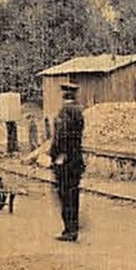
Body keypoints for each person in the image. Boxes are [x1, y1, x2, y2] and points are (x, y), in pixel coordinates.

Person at [48, 83, 87, 242]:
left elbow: (61, 136)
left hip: (64, 160)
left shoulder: (65, 112)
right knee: (73, 194)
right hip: (76, 158)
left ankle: (69, 230)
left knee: (65, 195)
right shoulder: (79, 112)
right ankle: (73, 228)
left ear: (64, 96)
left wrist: (55, 154)